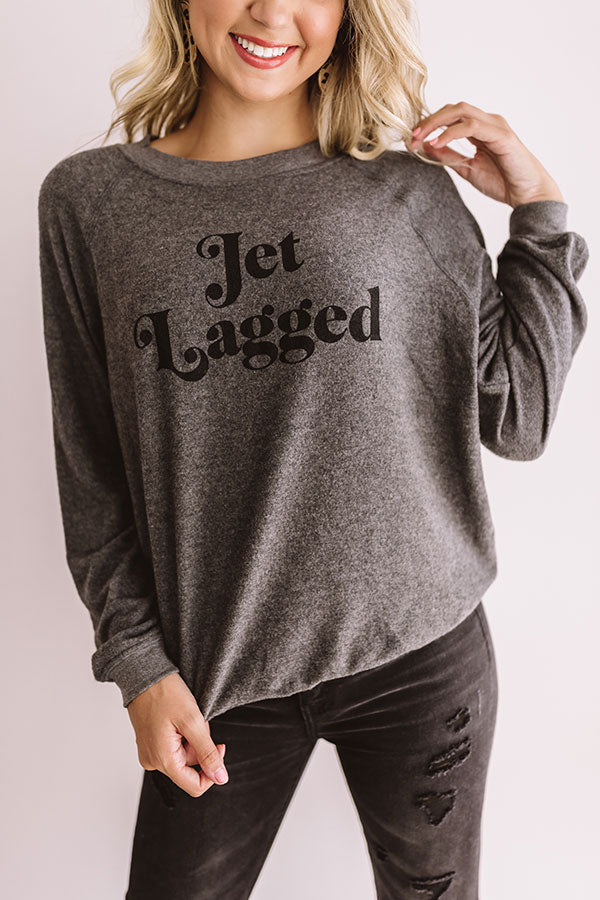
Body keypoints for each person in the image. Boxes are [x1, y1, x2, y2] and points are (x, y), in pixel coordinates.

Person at [37, 1, 589, 897]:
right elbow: (90, 468)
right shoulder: (90, 202)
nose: (271, 12)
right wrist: (138, 667)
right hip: (218, 672)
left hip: (422, 660)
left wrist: (540, 212)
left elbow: (517, 415)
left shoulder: (406, 193)